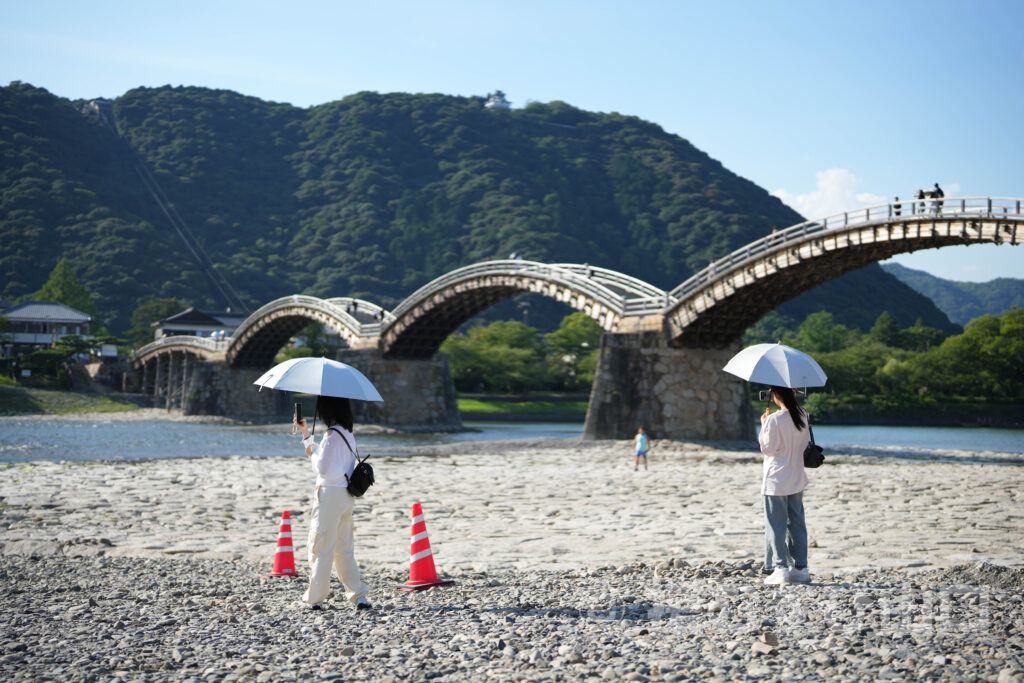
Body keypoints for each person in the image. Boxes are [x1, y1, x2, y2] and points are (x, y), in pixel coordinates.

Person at [294, 395, 372, 610]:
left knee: (321, 546)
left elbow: (322, 468)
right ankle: (358, 595)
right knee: (344, 548)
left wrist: (312, 446)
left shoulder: (331, 435)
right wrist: (306, 434)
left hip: (329, 494)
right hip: (346, 496)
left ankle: (315, 597)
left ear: (328, 410)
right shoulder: (348, 433)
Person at [758, 386, 811, 585]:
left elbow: (768, 449)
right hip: (797, 475)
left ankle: (780, 567)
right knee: (797, 522)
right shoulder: (803, 414)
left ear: (775, 395)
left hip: (776, 480)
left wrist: (764, 426)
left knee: (776, 524)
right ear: (794, 393)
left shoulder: (774, 419)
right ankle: (800, 567)